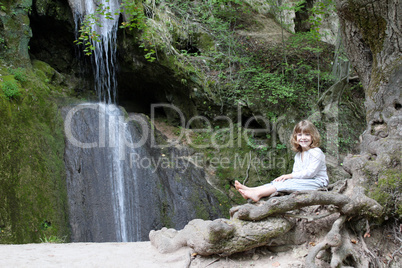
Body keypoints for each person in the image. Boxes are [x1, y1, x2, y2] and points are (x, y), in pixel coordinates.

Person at [235, 120, 328, 202]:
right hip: (305, 182)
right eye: (300, 135)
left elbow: (310, 173)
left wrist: (288, 176)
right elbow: (296, 174)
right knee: (281, 181)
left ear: (313, 136)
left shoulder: (316, 152)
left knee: (287, 181)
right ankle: (251, 190)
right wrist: (287, 177)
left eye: (307, 134)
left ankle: (257, 194)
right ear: (296, 137)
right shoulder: (298, 156)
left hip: (317, 183)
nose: (303, 138)